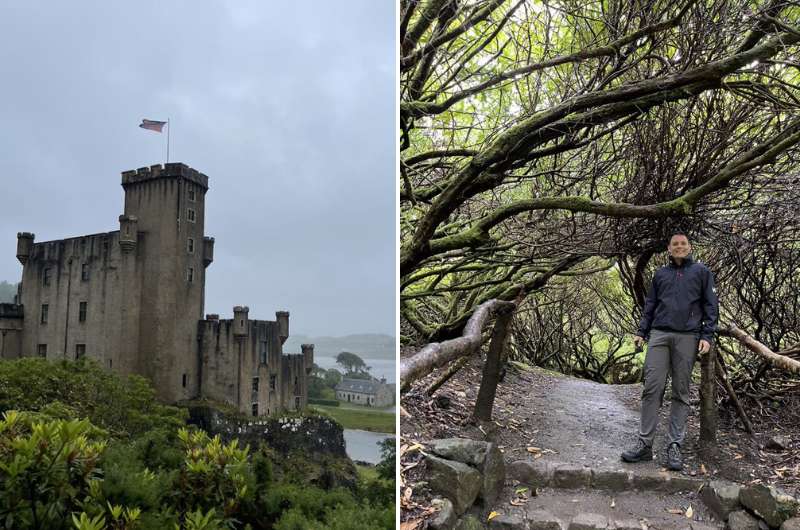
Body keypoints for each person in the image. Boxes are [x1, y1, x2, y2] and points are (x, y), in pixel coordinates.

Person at [621, 232, 718, 471]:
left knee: (681, 392)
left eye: (683, 244)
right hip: (659, 335)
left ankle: (675, 445)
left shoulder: (702, 272)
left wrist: (707, 335)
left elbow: (710, 306)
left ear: (689, 247)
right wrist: (642, 331)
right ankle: (644, 445)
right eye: (675, 244)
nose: (679, 247)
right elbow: (651, 305)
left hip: (688, 336)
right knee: (652, 388)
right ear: (669, 248)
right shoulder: (660, 275)